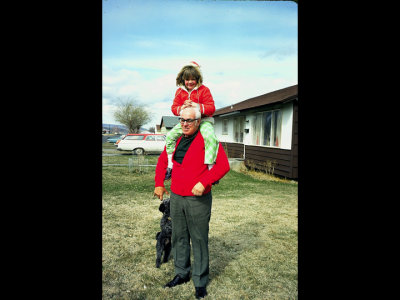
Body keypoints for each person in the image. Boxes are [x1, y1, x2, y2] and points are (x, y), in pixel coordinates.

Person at [153, 106, 230, 299]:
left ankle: (200, 281)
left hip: (198, 199)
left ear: (198, 122)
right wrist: (159, 184)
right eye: (182, 120)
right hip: (177, 197)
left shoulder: (208, 140)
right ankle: (182, 273)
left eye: (189, 120)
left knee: (199, 239)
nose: (185, 124)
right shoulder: (176, 139)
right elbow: (163, 161)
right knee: (179, 236)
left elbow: (223, 165)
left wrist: (204, 182)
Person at [165, 61, 219, 181]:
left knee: (210, 137)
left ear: (198, 79)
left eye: (193, 79)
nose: (190, 82)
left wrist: (198, 105)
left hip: (204, 120)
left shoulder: (204, 90)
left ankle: (211, 167)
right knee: (169, 136)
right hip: (187, 122)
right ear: (182, 79)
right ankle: (170, 165)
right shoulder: (179, 92)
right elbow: (174, 108)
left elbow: (212, 108)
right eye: (187, 79)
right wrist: (182, 108)